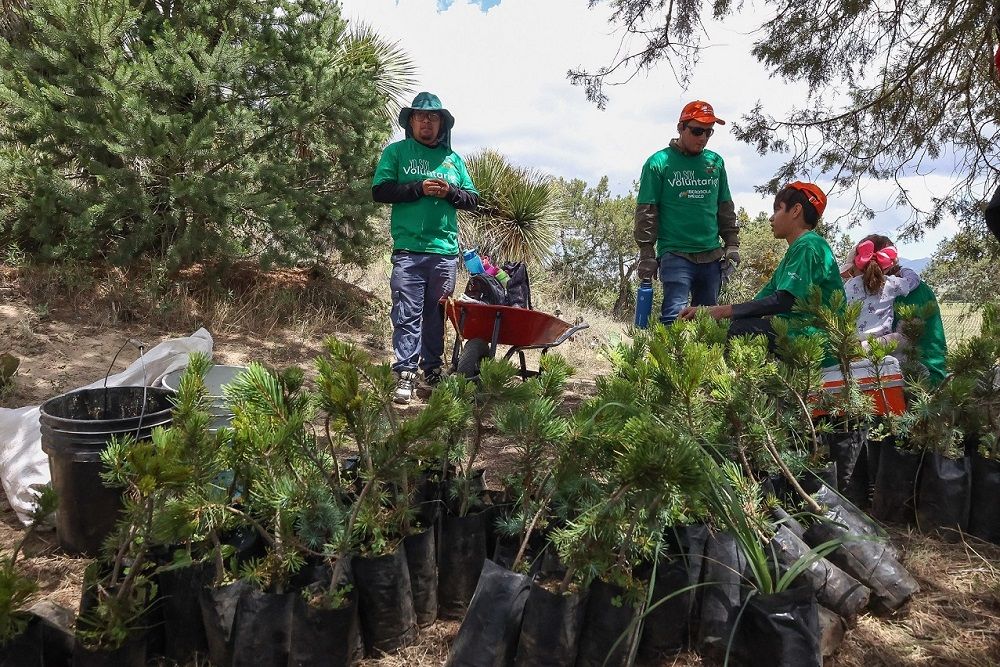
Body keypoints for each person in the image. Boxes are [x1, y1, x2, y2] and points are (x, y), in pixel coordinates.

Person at [372, 92, 479, 404]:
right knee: (406, 312)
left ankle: (432, 372)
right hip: (408, 250)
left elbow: (473, 199)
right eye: (421, 117)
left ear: (442, 124)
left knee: (436, 315)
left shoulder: (453, 160)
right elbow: (380, 191)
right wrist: (417, 188)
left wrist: (450, 193)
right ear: (412, 122)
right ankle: (405, 372)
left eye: (433, 118)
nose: (427, 122)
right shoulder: (397, 153)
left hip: (444, 252)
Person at [678, 181, 845, 360]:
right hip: (795, 335)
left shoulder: (809, 245)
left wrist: (720, 311)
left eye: (778, 209)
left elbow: (786, 300)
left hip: (816, 342)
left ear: (796, 210)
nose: (771, 218)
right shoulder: (795, 253)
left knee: (738, 331)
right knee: (729, 327)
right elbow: (758, 304)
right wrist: (707, 312)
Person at [634, 100, 740, 324]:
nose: (702, 138)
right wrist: (646, 254)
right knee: (674, 319)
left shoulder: (716, 162)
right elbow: (647, 212)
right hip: (675, 254)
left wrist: (732, 244)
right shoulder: (658, 163)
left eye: (708, 132)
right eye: (697, 130)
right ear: (681, 127)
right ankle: (667, 361)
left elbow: (724, 206)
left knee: (708, 324)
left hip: (712, 257)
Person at [840, 234, 947, 384]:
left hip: (906, 380)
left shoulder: (852, 288)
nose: (850, 278)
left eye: (852, 272)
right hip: (930, 378)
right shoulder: (910, 287)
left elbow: (903, 340)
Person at [842, 236, 920, 348]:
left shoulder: (849, 285)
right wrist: (902, 270)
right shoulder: (890, 284)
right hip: (880, 345)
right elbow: (914, 280)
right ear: (888, 265)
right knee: (903, 337)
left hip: (853, 344)